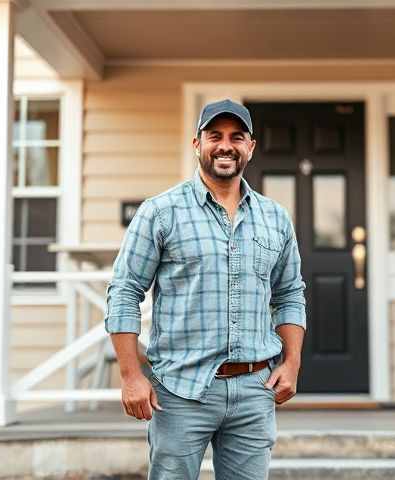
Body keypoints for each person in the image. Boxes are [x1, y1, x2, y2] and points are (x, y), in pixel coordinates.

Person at [104, 99, 307, 480]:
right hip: (180, 391)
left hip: (254, 389)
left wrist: (292, 362)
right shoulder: (161, 212)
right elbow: (125, 291)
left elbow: (290, 293)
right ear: (197, 143)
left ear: (251, 146)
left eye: (236, 137)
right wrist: (131, 375)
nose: (225, 145)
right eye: (215, 136)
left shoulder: (275, 218)